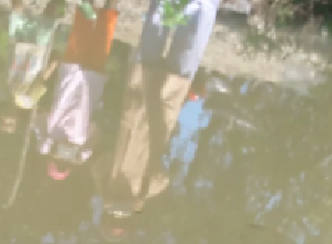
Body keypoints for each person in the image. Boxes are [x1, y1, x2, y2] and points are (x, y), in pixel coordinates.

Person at [95, 0, 218, 227]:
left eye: (113, 215)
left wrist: (105, 193)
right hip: (165, 104)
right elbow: (164, 179)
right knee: (192, 39)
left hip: (138, 92)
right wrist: (140, 199)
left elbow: (99, 160)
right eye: (121, 218)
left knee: (155, 25)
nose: (119, 208)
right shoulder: (145, 189)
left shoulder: (107, 179)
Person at [35, 1, 119, 181]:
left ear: (51, 158)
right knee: (105, 32)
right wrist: (83, 153)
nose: (64, 156)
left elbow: (38, 115)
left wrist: (47, 144)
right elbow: (97, 130)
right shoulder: (81, 142)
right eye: (67, 162)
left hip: (71, 74)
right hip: (93, 81)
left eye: (59, 160)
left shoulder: (50, 134)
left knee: (81, 28)